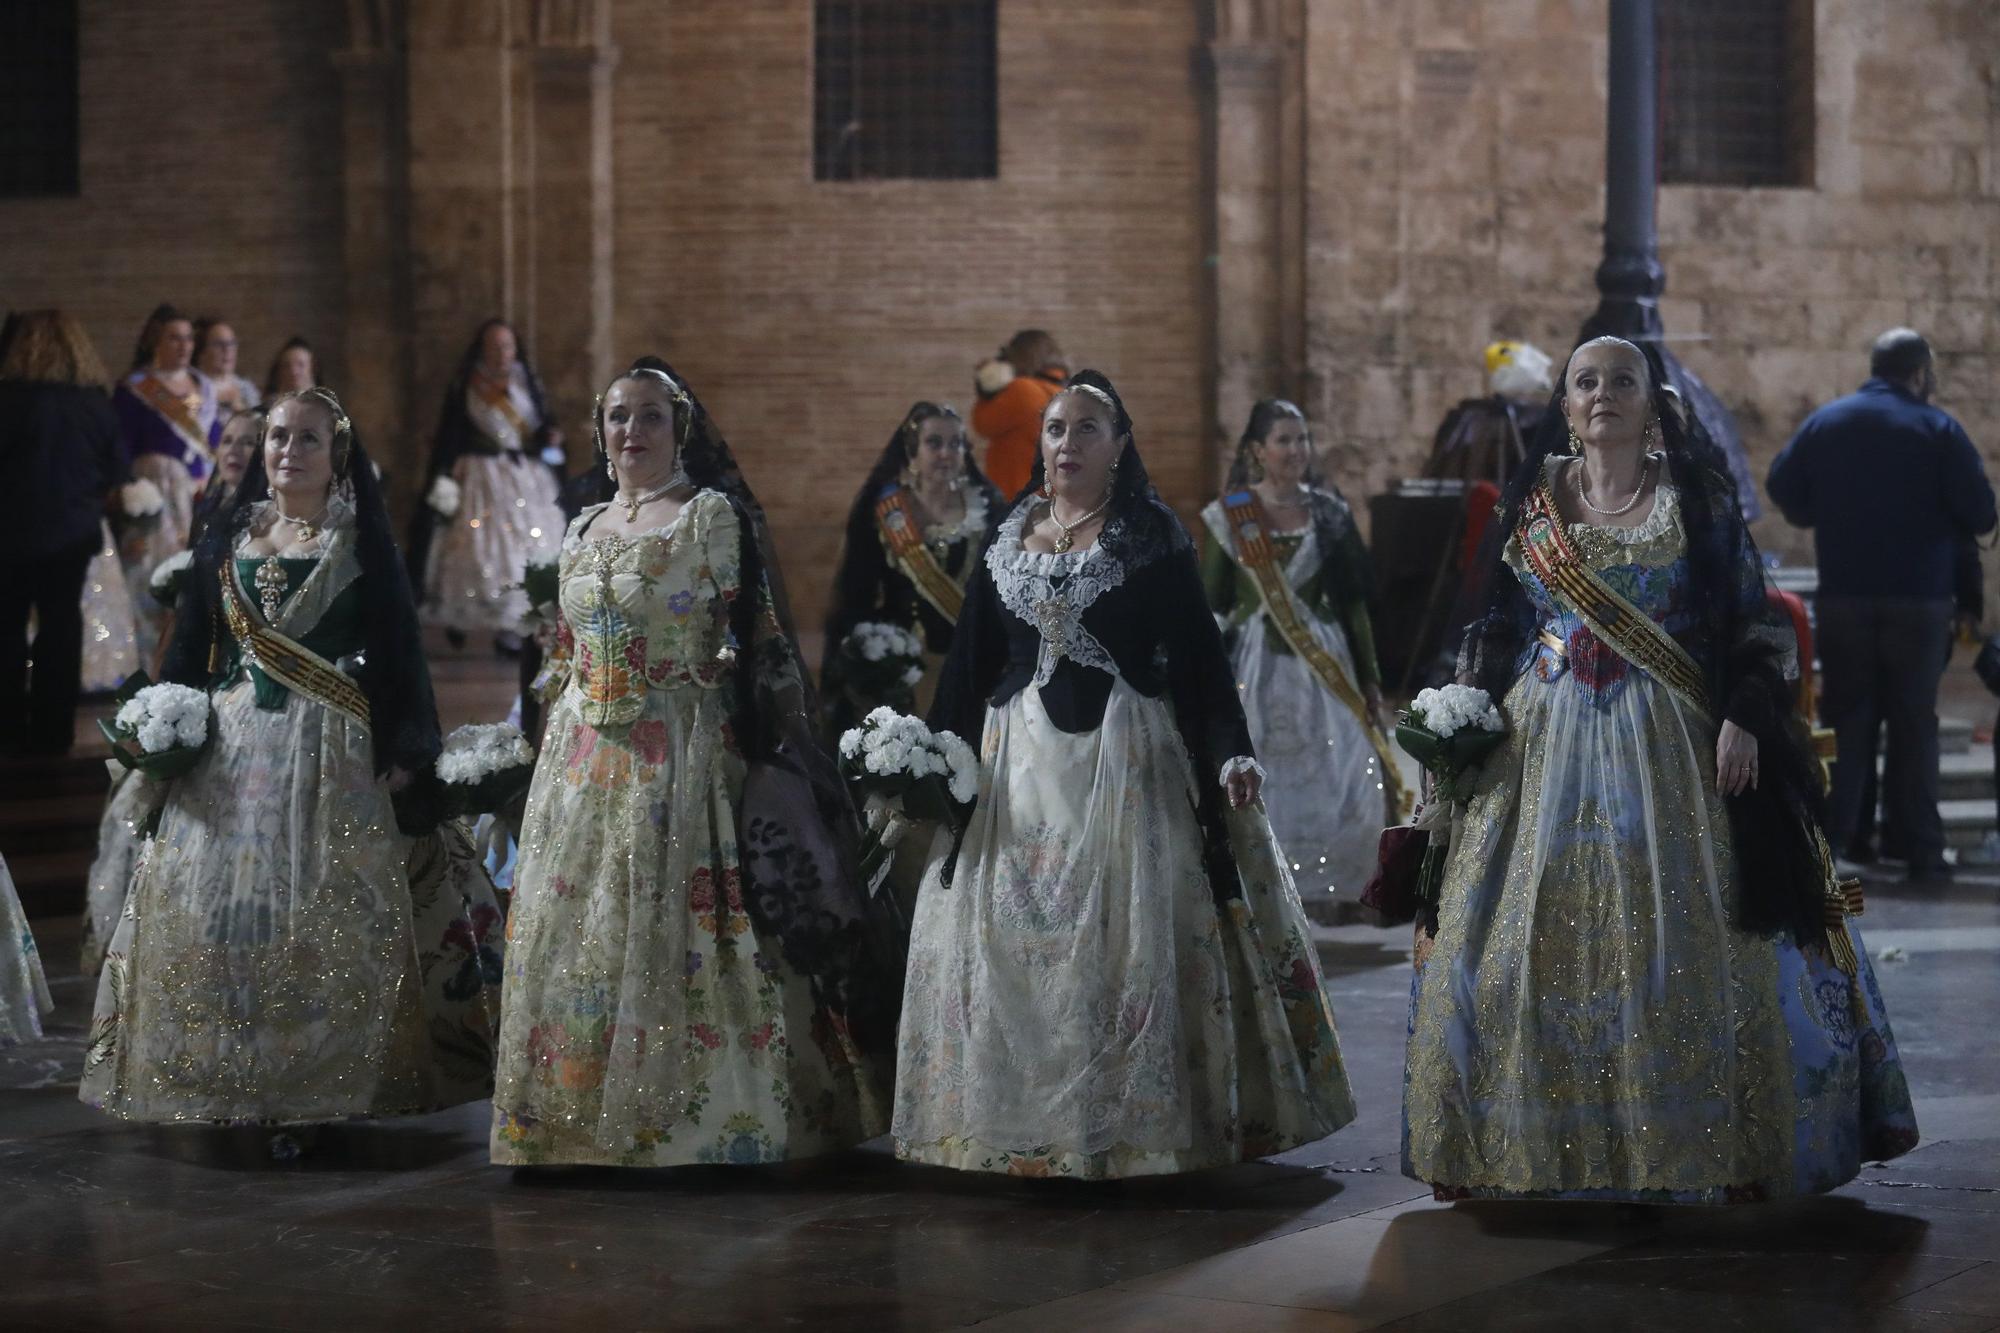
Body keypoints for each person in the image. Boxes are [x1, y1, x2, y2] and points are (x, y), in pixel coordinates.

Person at [1406, 336, 1918, 1203]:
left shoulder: (1699, 500)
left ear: (1652, 401)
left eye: (1623, 381)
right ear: (1565, 406)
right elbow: (1493, 627)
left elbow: (1755, 627)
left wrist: (1749, 719)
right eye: (1587, 382)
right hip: (1539, 743)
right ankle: (1526, 1143)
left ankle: (1693, 1144)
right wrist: (1458, 724)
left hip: (1672, 745)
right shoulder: (1535, 504)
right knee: (1505, 947)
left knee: (1687, 946)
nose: (1604, 394)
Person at [893, 370, 1357, 1180]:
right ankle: (1017, 1125)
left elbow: (1203, 665)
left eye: (1086, 429)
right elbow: (970, 666)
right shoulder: (1012, 532)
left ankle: (1128, 1129)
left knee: (1119, 943)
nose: (1066, 443)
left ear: (1119, 445)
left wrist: (1230, 751)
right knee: (1016, 942)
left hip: (1126, 763)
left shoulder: (1149, 535)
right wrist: (935, 761)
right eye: (1055, 429)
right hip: (1017, 772)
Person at [490, 357, 895, 1169]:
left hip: (680, 748)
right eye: (617, 417)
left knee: (682, 927)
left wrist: (771, 748)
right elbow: (561, 656)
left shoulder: (708, 516)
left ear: (679, 430)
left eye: (649, 417)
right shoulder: (582, 525)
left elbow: (762, 643)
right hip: (579, 760)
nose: (631, 432)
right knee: (585, 928)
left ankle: (698, 1118)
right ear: (599, 433)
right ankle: (571, 1121)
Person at [80, 388, 502, 1139]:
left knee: (322, 911)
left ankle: (320, 1082)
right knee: (226, 908)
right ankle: (228, 1071)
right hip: (234, 752)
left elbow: (401, 651)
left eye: (307, 439)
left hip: (332, 753)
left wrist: (409, 749)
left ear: (336, 455)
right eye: (277, 436)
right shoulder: (229, 534)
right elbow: (195, 647)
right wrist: (167, 726)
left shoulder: (360, 543)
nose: (287, 451)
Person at [1768, 328, 1996, 883]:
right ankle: (1918, 850)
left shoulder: (1828, 422)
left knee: (1849, 721)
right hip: (1919, 604)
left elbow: (1782, 487)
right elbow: (1982, 513)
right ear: (1920, 373)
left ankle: (1843, 841)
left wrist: (1821, 513)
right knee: (1914, 724)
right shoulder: (1938, 428)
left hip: (1845, 597)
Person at [78, 406, 270, 978]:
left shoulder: (267, 522)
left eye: (249, 442)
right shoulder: (213, 508)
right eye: (227, 440)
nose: (233, 451)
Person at [1201, 399, 1404, 907]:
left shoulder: (1330, 514)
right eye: (1284, 440)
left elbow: (1354, 605)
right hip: (1254, 669)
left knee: (1337, 775)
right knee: (1268, 771)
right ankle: (1266, 888)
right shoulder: (1229, 518)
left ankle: (1334, 890)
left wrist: (1370, 676)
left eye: (1302, 439)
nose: (1296, 450)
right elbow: (1211, 604)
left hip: (1325, 667)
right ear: (1257, 450)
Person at [822, 401, 1004, 738]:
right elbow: (857, 590)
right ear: (912, 452)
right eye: (934, 443)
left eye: (956, 443)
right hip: (902, 670)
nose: (946, 453)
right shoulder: (885, 512)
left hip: (970, 665)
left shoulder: (989, 508)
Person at [0, 310, 124, 754]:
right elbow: (117, 469)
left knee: (7, 630)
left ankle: (8, 731)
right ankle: (54, 732)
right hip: (71, 536)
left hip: (10, 536)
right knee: (61, 627)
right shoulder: (93, 402)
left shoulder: (7, 399)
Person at [410, 319, 566, 653]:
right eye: (494, 347)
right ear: (482, 349)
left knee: (530, 544)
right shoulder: (469, 384)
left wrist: (549, 438)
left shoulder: (526, 381)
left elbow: (540, 423)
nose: (501, 353)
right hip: (481, 474)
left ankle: (513, 625)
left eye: (507, 346)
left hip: (525, 474)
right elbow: (452, 432)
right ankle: (466, 615)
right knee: (481, 546)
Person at [113, 304, 221, 662]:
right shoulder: (135, 389)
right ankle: (149, 664)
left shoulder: (204, 388)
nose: (184, 345)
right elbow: (120, 449)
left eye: (189, 338)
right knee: (154, 582)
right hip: (156, 502)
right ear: (154, 341)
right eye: (174, 337)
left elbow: (216, 441)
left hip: (201, 499)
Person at [971, 329, 1068, 499]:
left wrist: (986, 386)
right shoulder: (1063, 391)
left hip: (1016, 494)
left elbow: (982, 423)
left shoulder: (1023, 390)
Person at [193, 317, 261, 417]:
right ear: (202, 352)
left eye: (231, 343)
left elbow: (260, 425)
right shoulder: (192, 386)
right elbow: (185, 421)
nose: (227, 349)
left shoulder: (246, 388)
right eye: (218, 344)